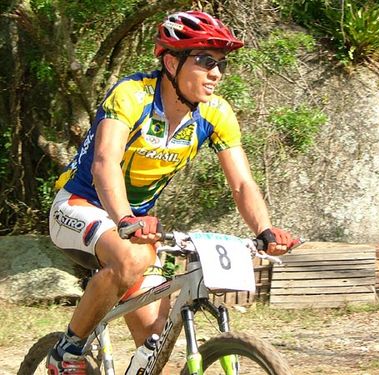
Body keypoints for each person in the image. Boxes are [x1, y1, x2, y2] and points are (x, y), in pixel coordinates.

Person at [46, 10, 295, 374]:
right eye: (206, 61)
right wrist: (126, 219)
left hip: (133, 226)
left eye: (221, 64)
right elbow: (104, 163)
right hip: (79, 205)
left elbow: (242, 183)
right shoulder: (132, 95)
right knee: (131, 259)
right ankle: (67, 352)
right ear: (170, 61)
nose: (217, 73)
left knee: (156, 338)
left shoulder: (215, 113)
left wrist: (264, 230)